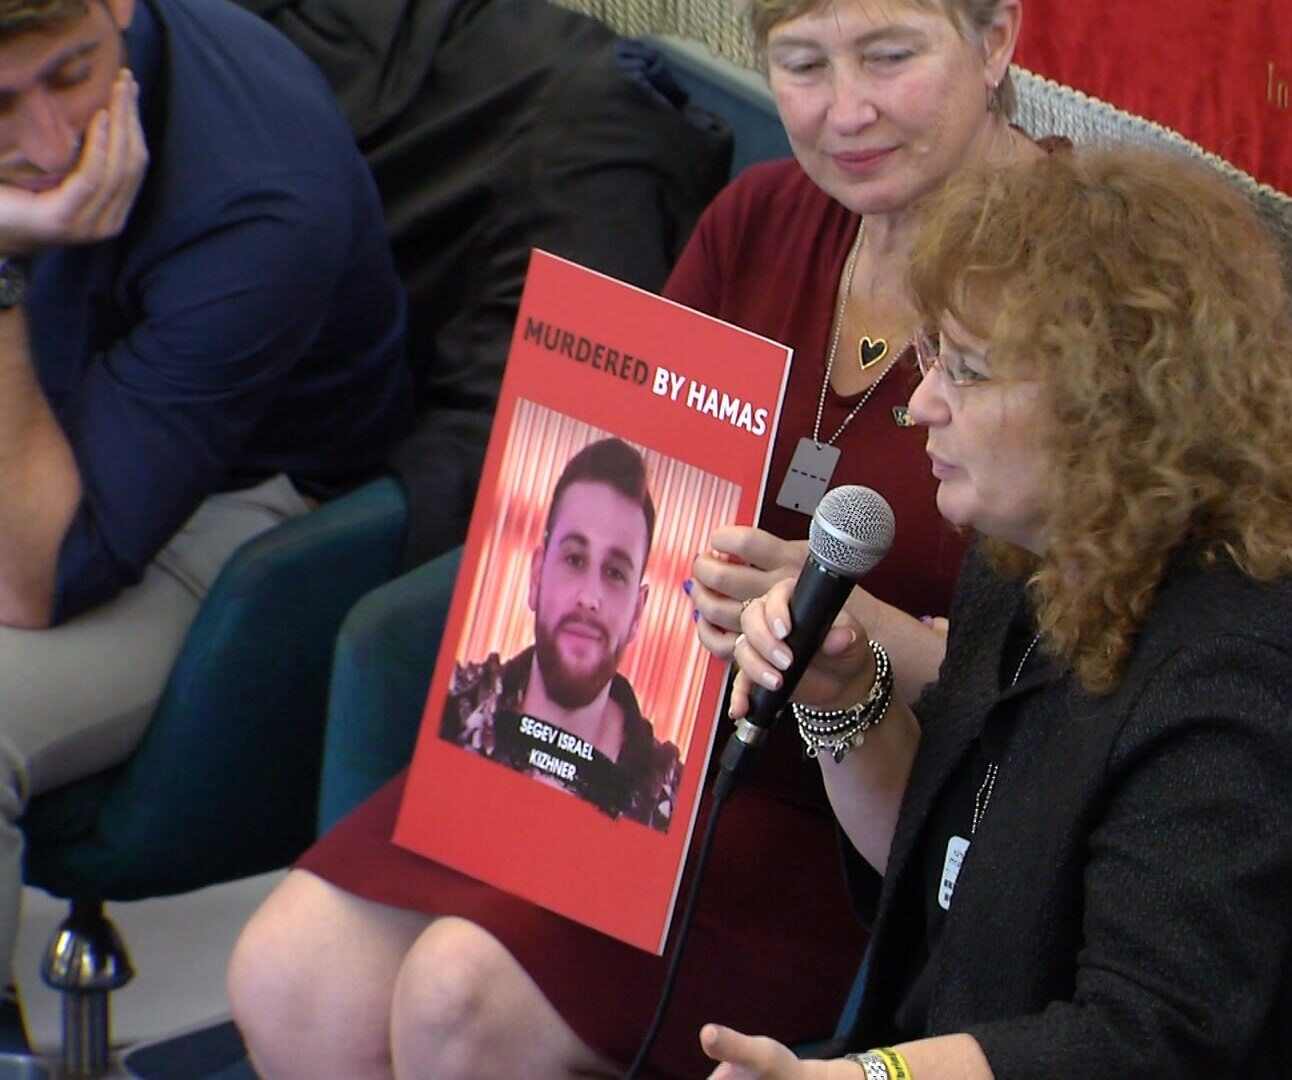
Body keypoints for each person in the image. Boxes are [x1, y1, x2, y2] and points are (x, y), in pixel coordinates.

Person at [227, 0, 1048, 1075]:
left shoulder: (1073, 274)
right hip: (650, 732)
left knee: (457, 998)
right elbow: (632, 476)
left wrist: (841, 620)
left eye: (889, 57)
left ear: (995, 42)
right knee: (292, 973)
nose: (846, 110)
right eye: (801, 65)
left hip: (863, 807)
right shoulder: (760, 215)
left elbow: (1069, 672)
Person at [708, 147, 1292, 1078]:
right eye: (930, 352)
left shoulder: (1250, 674)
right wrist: (842, 695)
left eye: (969, 371)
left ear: (1120, 402)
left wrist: (860, 1079)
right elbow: (949, 870)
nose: (921, 403)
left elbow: (1139, 1045)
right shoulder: (1034, 554)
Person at [0, 0, 408, 978]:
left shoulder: (263, 201)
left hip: (238, 519)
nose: (49, 144)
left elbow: (34, 574)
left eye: (70, 74)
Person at [438, 437, 679, 829]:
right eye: (574, 558)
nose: (589, 598)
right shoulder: (452, 709)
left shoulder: (671, 800)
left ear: (638, 612)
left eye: (615, 572)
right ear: (535, 577)